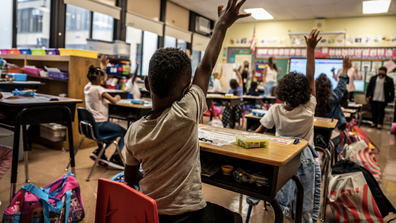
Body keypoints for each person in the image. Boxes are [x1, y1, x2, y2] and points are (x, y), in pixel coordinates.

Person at [124, 1, 250, 222]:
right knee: (236, 219)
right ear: (186, 90)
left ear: (146, 84)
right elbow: (206, 66)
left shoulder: (133, 132)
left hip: (150, 215)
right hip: (190, 216)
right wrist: (221, 25)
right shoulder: (187, 111)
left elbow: (130, 177)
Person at [255, 28, 322, 146]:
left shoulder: (275, 109)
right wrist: (311, 49)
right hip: (304, 160)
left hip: (280, 156)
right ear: (305, 92)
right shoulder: (308, 109)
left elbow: (258, 133)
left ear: (281, 91)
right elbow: (310, 77)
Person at [84, 56, 127, 170]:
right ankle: (116, 157)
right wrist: (117, 97)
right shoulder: (100, 89)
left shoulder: (87, 87)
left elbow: (97, 74)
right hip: (101, 124)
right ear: (100, 80)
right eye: (103, 77)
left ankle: (99, 152)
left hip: (92, 125)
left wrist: (103, 66)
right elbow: (113, 100)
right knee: (125, 133)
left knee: (110, 136)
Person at [315, 57, 351, 146]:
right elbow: (341, 87)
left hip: (313, 137)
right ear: (329, 87)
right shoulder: (333, 98)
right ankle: (331, 158)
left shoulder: (311, 100)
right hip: (331, 138)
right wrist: (345, 69)